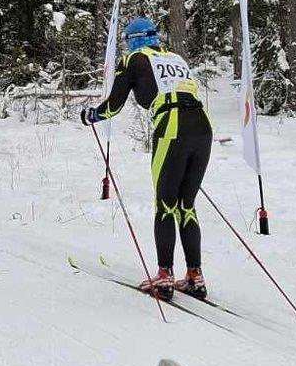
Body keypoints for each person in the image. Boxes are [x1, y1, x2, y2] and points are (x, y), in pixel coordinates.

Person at [84, 16, 212, 301]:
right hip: (202, 127)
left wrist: (92, 115)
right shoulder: (175, 57)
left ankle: (164, 276)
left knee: (165, 204)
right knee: (186, 206)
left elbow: (113, 105)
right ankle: (195, 274)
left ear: (133, 41)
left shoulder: (133, 60)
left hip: (172, 125)